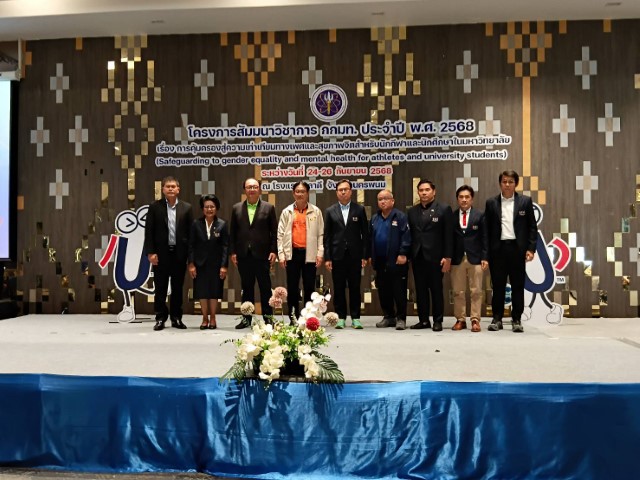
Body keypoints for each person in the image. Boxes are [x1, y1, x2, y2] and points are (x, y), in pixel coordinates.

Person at [484, 170, 537, 333]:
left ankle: (517, 319)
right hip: (497, 250)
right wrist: (486, 254)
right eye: (504, 181)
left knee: (517, 286)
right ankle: (497, 318)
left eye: (511, 182)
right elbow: (486, 230)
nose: (507, 184)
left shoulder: (525, 201)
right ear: (500, 183)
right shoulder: (491, 203)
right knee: (498, 286)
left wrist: (531, 248)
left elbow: (532, 227)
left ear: (516, 184)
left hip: (517, 249)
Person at [144, 176, 193, 331]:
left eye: (173, 186)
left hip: (179, 254)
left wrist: (190, 255)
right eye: (168, 186)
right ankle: (160, 318)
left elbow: (190, 233)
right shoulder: (155, 207)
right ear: (163, 189)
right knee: (161, 287)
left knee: (178, 287)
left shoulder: (187, 207)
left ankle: (176, 318)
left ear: (178, 189)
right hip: (160, 254)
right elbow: (149, 231)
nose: (171, 189)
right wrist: (150, 252)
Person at [229, 178, 277, 329]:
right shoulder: (236, 208)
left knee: (265, 288)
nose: (252, 190)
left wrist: (273, 250)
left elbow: (274, 232)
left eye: (255, 187)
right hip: (244, 255)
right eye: (249, 187)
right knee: (246, 288)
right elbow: (233, 232)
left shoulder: (268, 208)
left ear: (259, 189)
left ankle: (268, 318)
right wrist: (233, 252)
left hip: (262, 255)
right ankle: (246, 319)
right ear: (244, 189)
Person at [406, 179, 453, 332]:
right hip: (418, 256)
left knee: (436, 289)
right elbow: (410, 235)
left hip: (436, 257)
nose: (424, 193)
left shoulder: (444, 209)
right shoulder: (412, 211)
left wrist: (447, 257)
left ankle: (438, 320)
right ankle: (424, 320)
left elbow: (448, 235)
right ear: (418, 192)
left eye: (427, 190)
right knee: (420, 290)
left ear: (434, 191)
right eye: (421, 190)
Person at [323, 179, 369, 329]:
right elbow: (327, 236)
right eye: (340, 190)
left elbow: (365, 234)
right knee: (339, 287)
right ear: (336, 192)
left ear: (351, 191)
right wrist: (328, 257)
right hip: (337, 255)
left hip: (355, 255)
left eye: (346, 189)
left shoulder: (359, 209)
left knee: (355, 287)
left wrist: (364, 255)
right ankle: (341, 317)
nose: (343, 192)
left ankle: (356, 317)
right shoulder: (330, 211)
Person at [277, 181, 324, 323]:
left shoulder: (316, 211)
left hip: (310, 254)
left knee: (309, 287)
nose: (300, 194)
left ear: (307, 193)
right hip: (292, 254)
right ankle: (293, 317)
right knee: (292, 288)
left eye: (303, 191)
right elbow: (280, 234)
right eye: (297, 191)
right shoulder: (287, 211)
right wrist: (281, 254)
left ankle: (308, 318)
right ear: (293, 193)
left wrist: (320, 253)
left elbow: (321, 234)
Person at [368, 189, 411, 331]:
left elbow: (406, 236)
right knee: (383, 290)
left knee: (399, 290)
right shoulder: (375, 218)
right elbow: (370, 239)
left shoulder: (400, 217)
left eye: (386, 198)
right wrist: (370, 255)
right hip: (380, 261)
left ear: (392, 201)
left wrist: (403, 253)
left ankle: (401, 318)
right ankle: (388, 317)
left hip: (397, 260)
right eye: (380, 199)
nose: (383, 201)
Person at [450, 185, 488, 333]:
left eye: (467, 197)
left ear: (472, 199)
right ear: (457, 199)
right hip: (457, 258)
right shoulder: (452, 216)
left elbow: (485, 238)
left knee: (476, 291)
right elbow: (448, 239)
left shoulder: (480, 215)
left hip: (476, 258)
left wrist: (485, 257)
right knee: (458, 291)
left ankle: (475, 320)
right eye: (461, 197)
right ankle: (460, 319)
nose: (464, 200)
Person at [188, 194, 229, 330]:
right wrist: (191, 264)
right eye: (206, 207)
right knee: (202, 292)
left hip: (216, 265)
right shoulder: (196, 224)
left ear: (216, 208)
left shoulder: (222, 224)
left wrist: (224, 266)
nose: (209, 209)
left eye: (212, 207)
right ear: (202, 209)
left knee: (214, 292)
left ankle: (213, 318)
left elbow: (225, 247)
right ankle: (204, 318)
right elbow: (191, 245)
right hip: (199, 264)